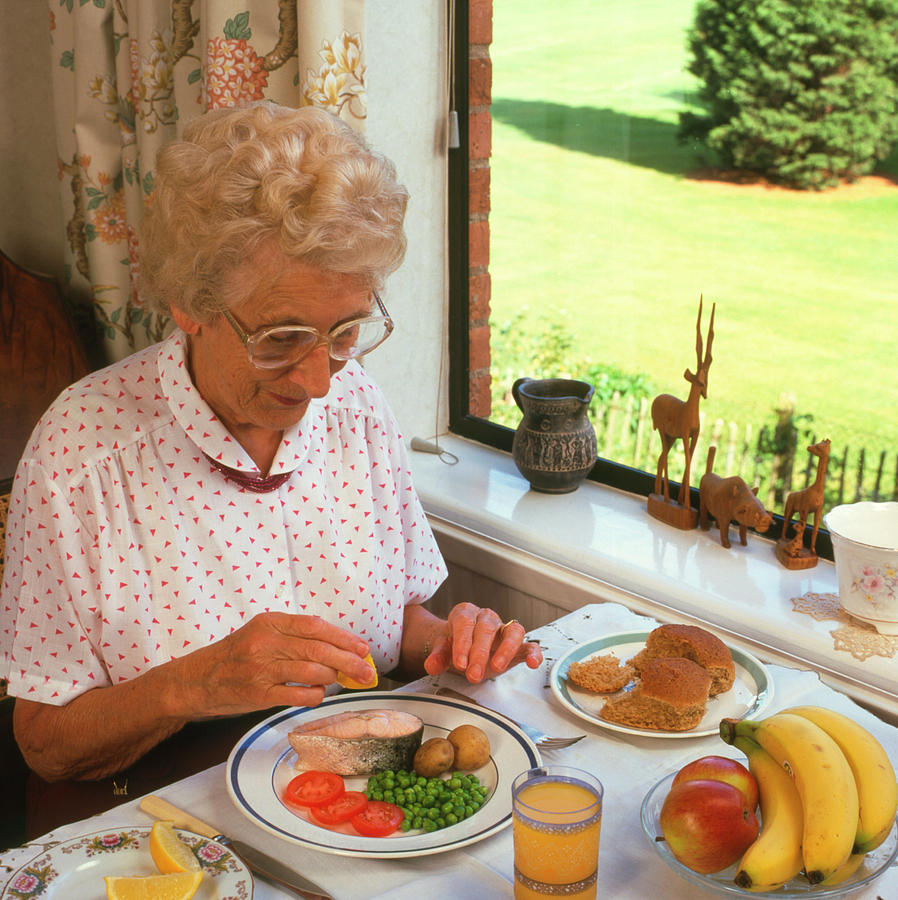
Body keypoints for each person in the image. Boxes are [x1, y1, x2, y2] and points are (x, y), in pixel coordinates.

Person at [0, 103, 542, 821]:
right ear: (189, 304)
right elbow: (46, 746)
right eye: (282, 337)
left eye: (345, 331)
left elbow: (394, 625)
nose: (319, 380)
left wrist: (450, 642)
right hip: (163, 816)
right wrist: (194, 685)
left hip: (348, 809)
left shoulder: (355, 405)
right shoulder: (83, 453)